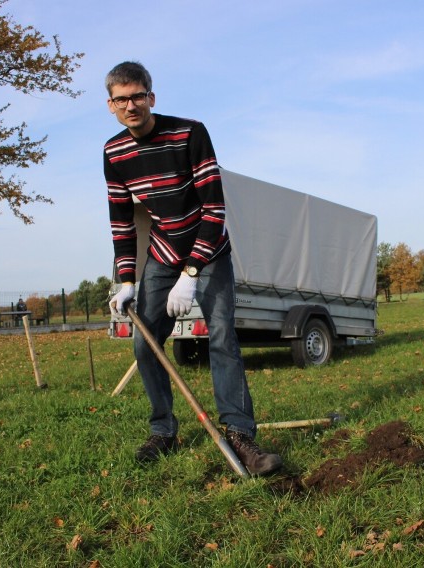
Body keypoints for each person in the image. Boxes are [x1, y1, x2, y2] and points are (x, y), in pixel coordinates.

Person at [104, 61, 282, 476]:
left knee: (221, 337)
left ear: (151, 97)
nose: (131, 106)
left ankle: (240, 434)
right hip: (163, 254)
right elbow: (122, 221)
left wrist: (192, 273)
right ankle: (164, 430)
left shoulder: (189, 133)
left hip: (211, 251)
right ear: (110, 105)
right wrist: (128, 279)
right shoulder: (114, 153)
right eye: (121, 99)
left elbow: (214, 207)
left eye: (138, 96)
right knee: (144, 343)